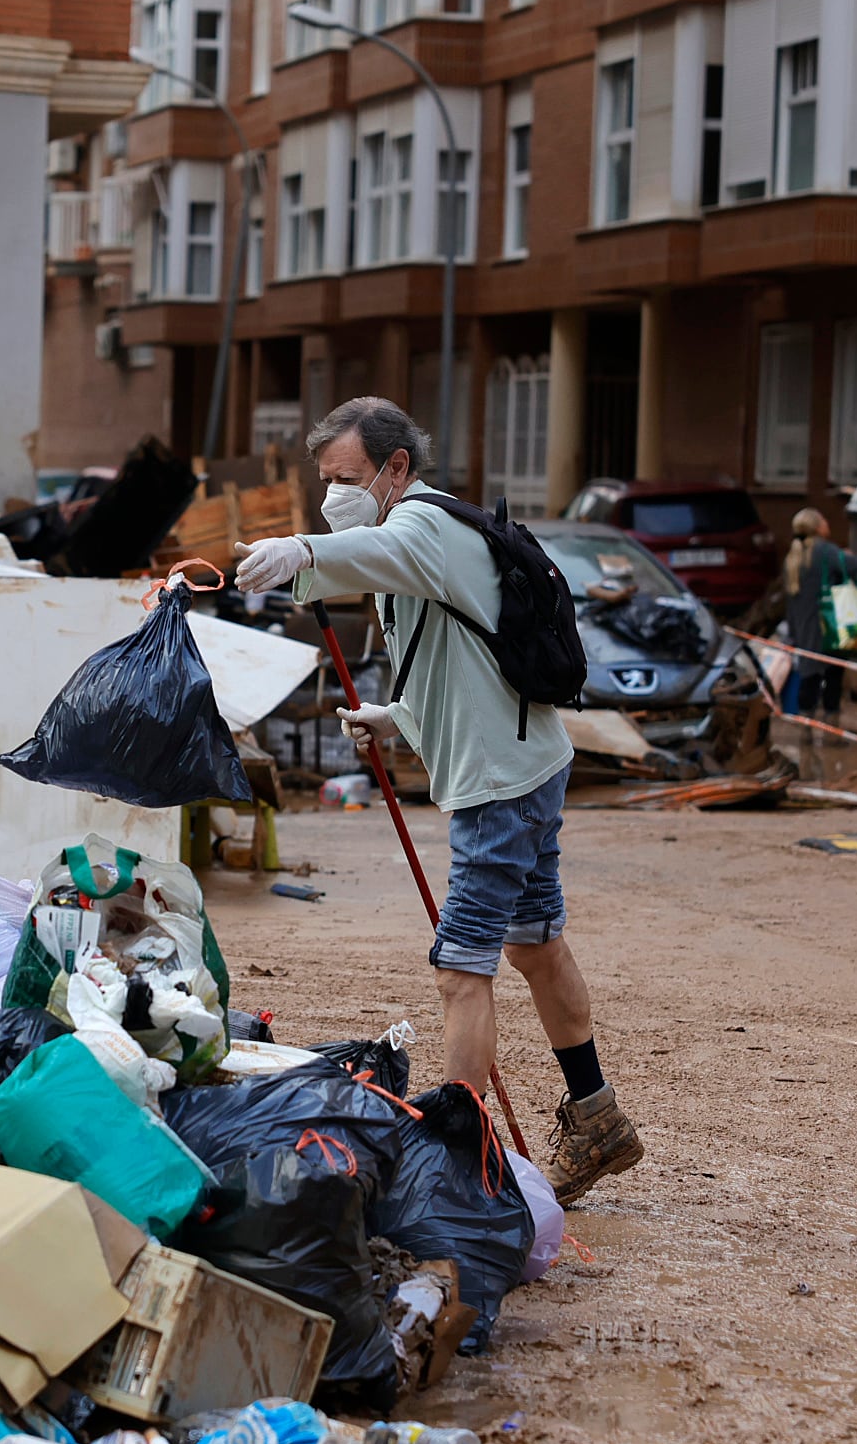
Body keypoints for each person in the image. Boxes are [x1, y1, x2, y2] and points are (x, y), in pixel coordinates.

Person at [233, 396, 643, 1206]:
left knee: (462, 970)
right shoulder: (415, 543)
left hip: (500, 787)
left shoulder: (423, 527)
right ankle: (598, 1118)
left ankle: (455, 1166)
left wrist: (298, 549)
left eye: (346, 478)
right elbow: (451, 650)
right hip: (525, 765)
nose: (333, 493)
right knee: (535, 946)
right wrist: (397, 716)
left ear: (395, 468)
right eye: (324, 481)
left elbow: (352, 554)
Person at [783, 508, 857, 725]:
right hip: (830, 625)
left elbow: (789, 599)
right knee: (833, 677)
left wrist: (792, 632)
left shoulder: (793, 556)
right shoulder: (825, 551)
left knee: (809, 676)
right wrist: (848, 556)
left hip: (803, 627)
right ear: (818, 527)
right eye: (824, 519)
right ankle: (831, 729)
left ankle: (805, 731)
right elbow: (855, 566)